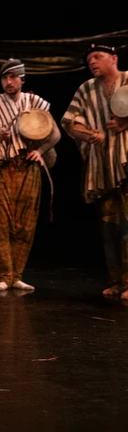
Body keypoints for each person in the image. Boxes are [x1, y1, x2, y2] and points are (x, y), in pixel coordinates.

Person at [0, 57, 59, 292]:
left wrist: (40, 151)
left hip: (26, 167)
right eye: (5, 77)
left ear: (22, 79)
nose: (9, 81)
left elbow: (55, 134)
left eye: (13, 77)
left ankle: (17, 275)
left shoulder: (34, 102)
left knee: (25, 223)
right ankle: (4, 275)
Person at [61, 44, 128, 300]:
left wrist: (125, 121)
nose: (92, 62)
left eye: (98, 57)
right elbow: (69, 121)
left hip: (126, 162)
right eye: (89, 59)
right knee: (110, 227)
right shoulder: (86, 89)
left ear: (114, 58)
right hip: (102, 168)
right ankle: (117, 281)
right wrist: (88, 134)